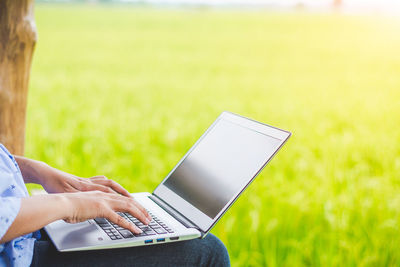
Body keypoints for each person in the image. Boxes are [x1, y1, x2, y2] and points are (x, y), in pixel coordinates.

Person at [0, 143, 230, 267]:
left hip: (22, 233)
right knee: (206, 252)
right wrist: (69, 203)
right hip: (17, 254)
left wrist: (34, 170)